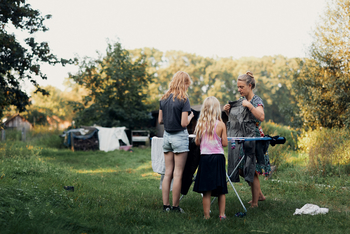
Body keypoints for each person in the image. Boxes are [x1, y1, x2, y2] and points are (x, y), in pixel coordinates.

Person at [223, 71, 270, 208]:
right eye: (238, 87)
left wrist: (250, 106)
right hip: (241, 138)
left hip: (253, 139)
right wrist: (227, 112)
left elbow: (261, 117)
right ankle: (259, 194)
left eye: (241, 87)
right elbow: (237, 120)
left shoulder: (256, 101)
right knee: (239, 169)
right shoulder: (240, 101)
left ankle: (255, 202)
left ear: (250, 85)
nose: (239, 90)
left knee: (251, 169)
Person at [158, 71, 194, 213]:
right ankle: (175, 207)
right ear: (184, 83)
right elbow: (184, 123)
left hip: (167, 136)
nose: (187, 88)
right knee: (178, 173)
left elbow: (160, 120)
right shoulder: (184, 99)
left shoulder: (163, 98)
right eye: (187, 85)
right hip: (179, 137)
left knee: (168, 173)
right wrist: (190, 116)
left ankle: (165, 206)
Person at [193, 96, 228, 220]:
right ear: (217, 109)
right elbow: (224, 143)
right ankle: (222, 215)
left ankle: (206, 216)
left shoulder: (200, 124)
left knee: (206, 190)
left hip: (205, 159)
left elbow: (197, 142)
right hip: (218, 158)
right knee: (221, 189)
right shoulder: (221, 125)